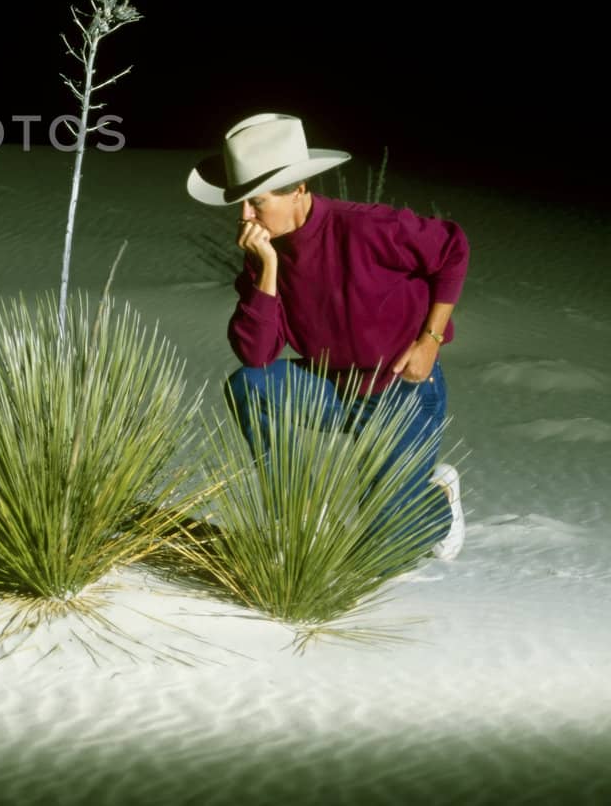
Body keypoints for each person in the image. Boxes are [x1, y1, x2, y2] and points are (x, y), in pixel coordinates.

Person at [186, 112, 468, 561]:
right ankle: (293, 517)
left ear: (297, 190)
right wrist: (269, 269)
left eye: (256, 203)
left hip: (402, 390)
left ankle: (437, 501)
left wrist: (431, 338)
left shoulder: (368, 227)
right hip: (331, 389)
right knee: (250, 386)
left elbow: (453, 248)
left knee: (385, 547)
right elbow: (256, 355)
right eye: (240, 204)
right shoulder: (264, 254)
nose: (245, 217)